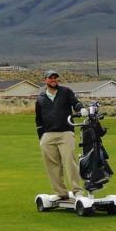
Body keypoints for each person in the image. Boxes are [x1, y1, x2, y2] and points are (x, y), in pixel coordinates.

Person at [35, 69, 86, 200]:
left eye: (55, 78)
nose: (53, 80)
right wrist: (42, 137)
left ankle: (77, 191)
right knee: (52, 165)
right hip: (48, 135)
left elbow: (75, 103)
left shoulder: (65, 92)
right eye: (50, 78)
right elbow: (39, 120)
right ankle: (61, 193)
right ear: (45, 80)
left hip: (65, 132)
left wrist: (81, 108)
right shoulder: (40, 98)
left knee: (70, 161)